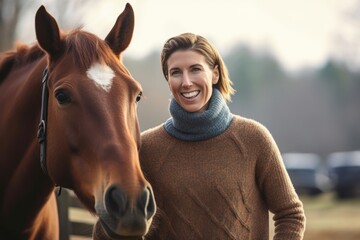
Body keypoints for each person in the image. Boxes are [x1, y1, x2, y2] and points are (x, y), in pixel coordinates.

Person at [140, 32, 306, 239]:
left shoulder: (254, 138)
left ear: (215, 74)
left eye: (195, 69)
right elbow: (115, 224)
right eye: (175, 73)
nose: (186, 82)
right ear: (168, 81)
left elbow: (291, 214)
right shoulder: (146, 147)